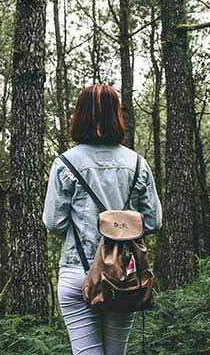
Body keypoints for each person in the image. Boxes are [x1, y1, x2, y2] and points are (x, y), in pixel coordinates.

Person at [43, 84, 162, 355]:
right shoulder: (137, 163)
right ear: (116, 116)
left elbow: (54, 223)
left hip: (79, 272)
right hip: (124, 276)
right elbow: (153, 222)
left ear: (80, 115)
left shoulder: (64, 163)